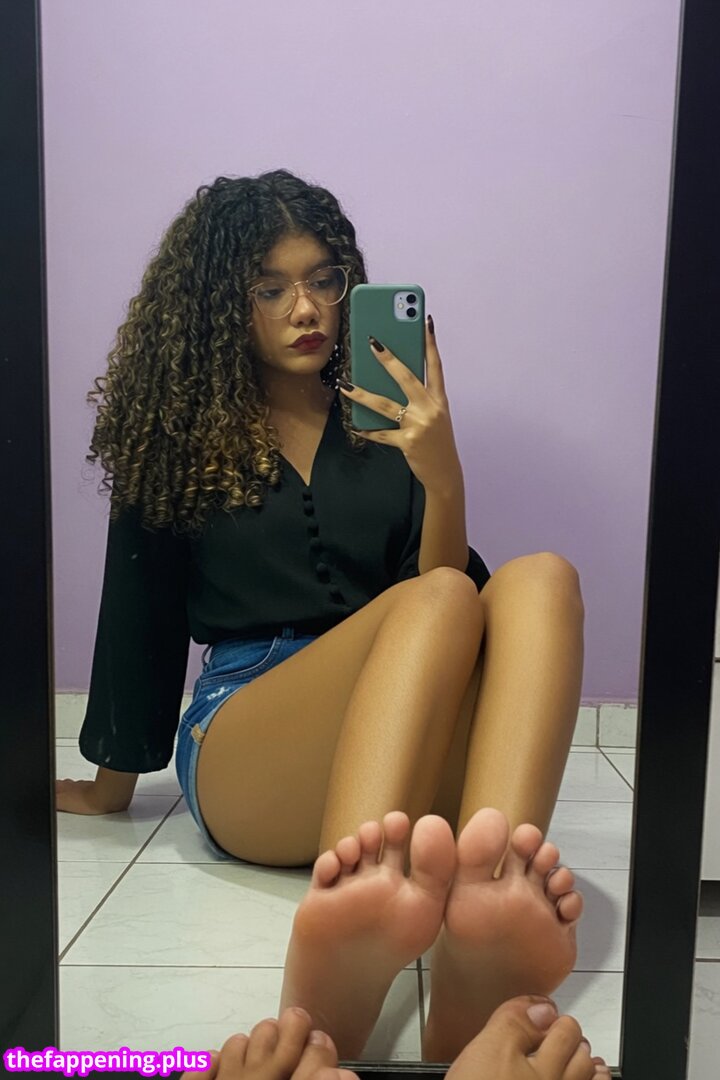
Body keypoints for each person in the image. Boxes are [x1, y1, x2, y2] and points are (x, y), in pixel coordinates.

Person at [56, 170, 585, 1060]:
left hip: (403, 713)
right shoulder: (179, 434)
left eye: (324, 280)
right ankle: (350, 919)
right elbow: (138, 622)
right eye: (270, 289)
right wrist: (109, 788)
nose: (306, 309)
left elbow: (447, 599)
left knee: (541, 580)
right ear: (222, 307)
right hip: (252, 739)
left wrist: (442, 470)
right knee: (440, 598)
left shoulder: (386, 419)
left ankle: (484, 918)